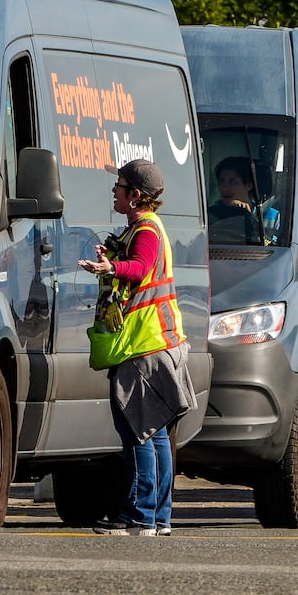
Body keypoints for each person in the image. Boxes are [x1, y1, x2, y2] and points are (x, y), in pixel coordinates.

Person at [77, 159, 196, 536]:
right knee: (155, 433)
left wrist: (110, 269)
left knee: (139, 434)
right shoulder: (143, 228)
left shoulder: (146, 230)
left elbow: (141, 267)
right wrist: (110, 259)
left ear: (136, 196)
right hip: (158, 341)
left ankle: (139, 517)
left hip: (144, 345)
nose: (114, 191)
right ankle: (158, 518)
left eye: (120, 185)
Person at [207, 156, 263, 244]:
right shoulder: (209, 215)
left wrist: (247, 214)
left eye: (232, 182)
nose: (224, 187)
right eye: (221, 181)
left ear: (248, 185)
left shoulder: (268, 215)